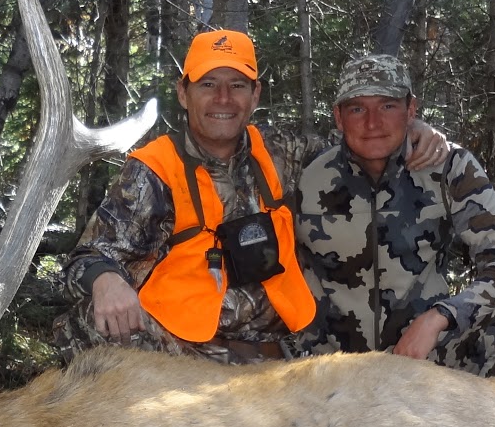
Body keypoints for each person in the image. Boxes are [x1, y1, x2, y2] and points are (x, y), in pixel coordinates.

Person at [57, 31, 445, 365]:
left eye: (238, 85)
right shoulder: (154, 169)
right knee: (89, 321)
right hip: (180, 348)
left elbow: (364, 141)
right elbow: (89, 258)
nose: (223, 98)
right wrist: (105, 279)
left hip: (282, 349)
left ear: (255, 94)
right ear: (183, 92)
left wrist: (414, 127)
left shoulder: (283, 153)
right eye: (208, 84)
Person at [294, 53, 495, 380]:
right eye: (357, 109)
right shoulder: (301, 170)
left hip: (424, 358)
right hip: (327, 366)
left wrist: (442, 316)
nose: (372, 122)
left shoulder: (448, 167)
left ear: (411, 110)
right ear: (338, 117)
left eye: (387, 106)